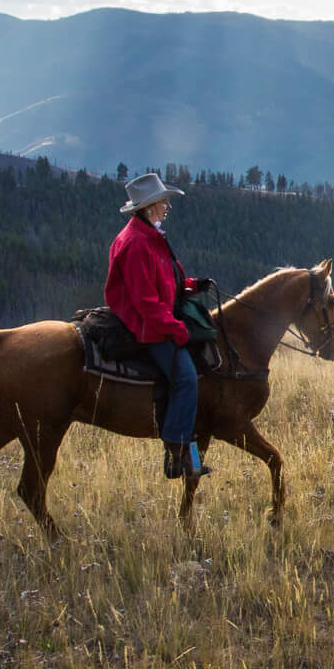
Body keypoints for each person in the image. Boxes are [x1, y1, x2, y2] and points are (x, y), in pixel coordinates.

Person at [107, 169, 210, 480]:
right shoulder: (137, 243)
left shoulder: (150, 237)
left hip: (157, 319)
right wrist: (176, 329)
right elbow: (146, 303)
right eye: (164, 202)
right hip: (147, 328)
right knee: (187, 378)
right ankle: (177, 454)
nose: (167, 207)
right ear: (150, 207)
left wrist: (191, 285)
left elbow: (166, 282)